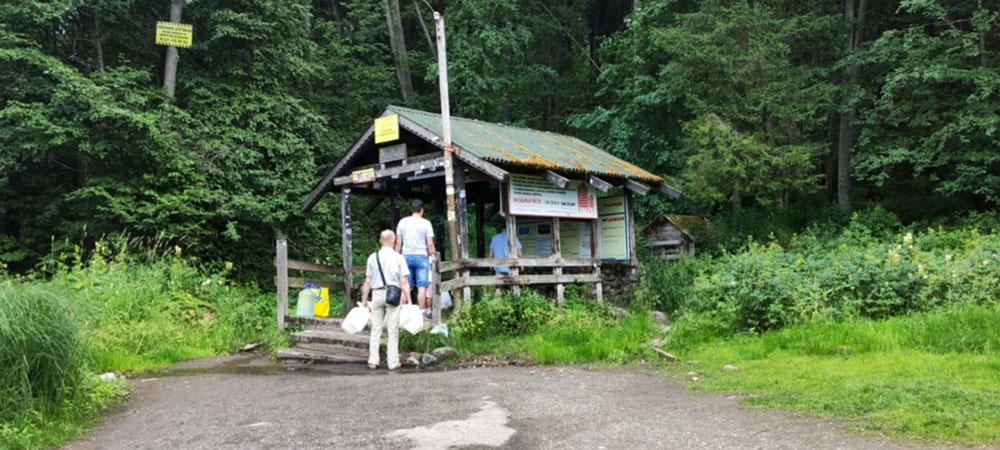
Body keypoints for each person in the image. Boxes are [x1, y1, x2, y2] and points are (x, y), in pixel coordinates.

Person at [360, 230, 411, 370]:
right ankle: (392, 362)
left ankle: (373, 361)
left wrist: (364, 300)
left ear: (380, 241)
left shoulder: (372, 257)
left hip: (376, 295)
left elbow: (368, 281)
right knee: (392, 330)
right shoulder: (399, 258)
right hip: (393, 295)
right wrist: (409, 299)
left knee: (375, 328)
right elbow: (404, 282)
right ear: (394, 241)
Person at [395, 199, 436, 317]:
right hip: (422, 257)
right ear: (421, 210)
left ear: (411, 210)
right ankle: (421, 315)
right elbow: (430, 244)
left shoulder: (402, 222)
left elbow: (398, 243)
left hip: (405, 256)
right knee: (421, 287)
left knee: (405, 285)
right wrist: (433, 257)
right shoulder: (426, 223)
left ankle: (402, 313)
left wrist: (396, 257)